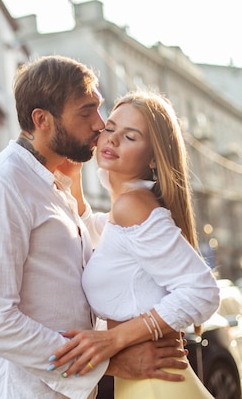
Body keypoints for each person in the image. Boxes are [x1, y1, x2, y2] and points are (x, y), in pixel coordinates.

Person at [0, 56, 189, 399]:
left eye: (99, 109)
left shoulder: (50, 185)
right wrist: (111, 362)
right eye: (85, 112)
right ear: (42, 120)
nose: (99, 125)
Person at [47, 89, 220, 398]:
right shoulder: (125, 211)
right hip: (144, 384)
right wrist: (72, 178)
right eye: (109, 129)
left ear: (153, 157)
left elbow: (203, 292)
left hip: (155, 388)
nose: (112, 140)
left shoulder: (134, 206)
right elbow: (90, 229)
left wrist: (115, 340)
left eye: (130, 137)